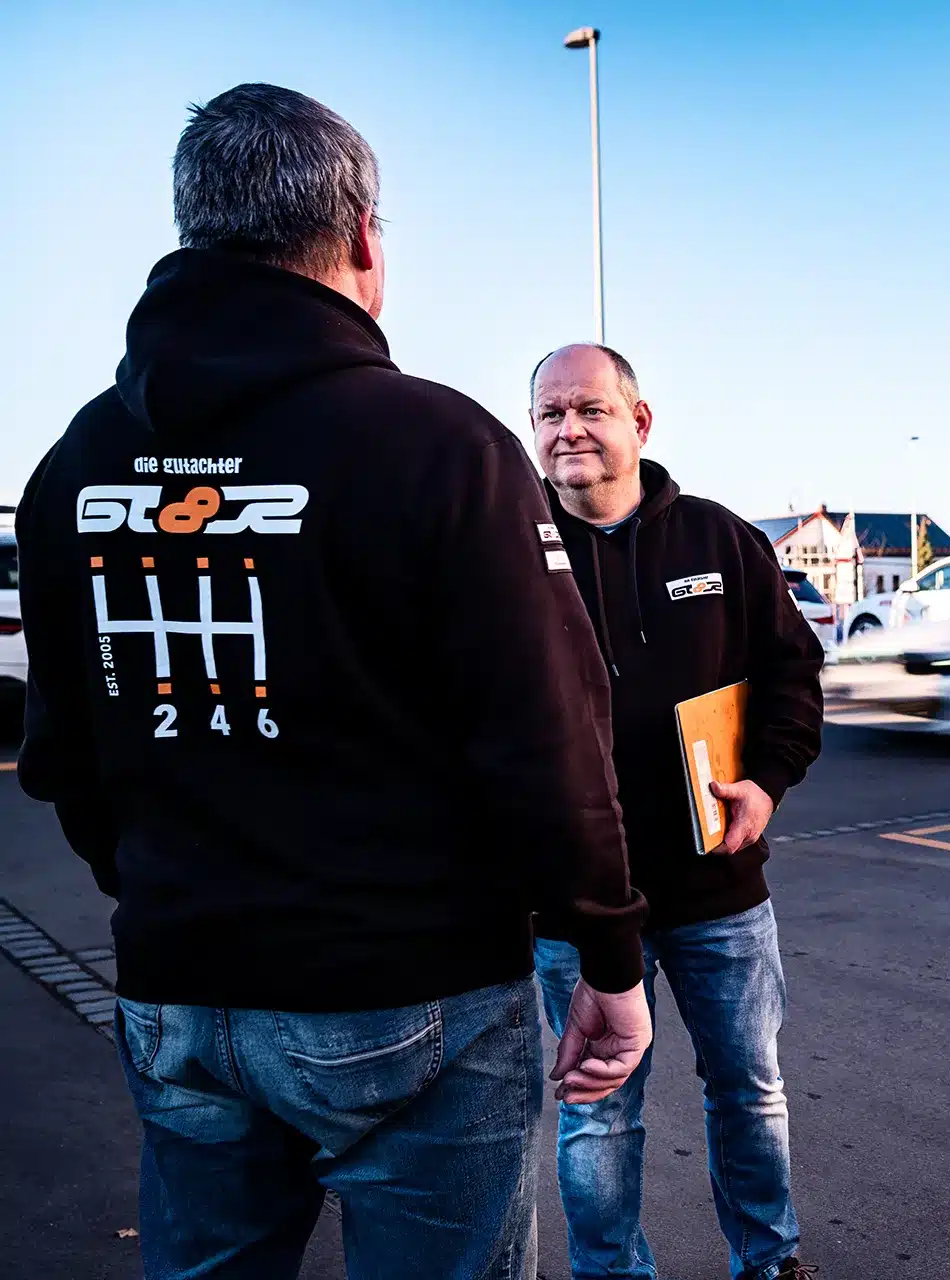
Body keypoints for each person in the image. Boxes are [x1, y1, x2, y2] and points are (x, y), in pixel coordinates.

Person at [15, 85, 652, 1278]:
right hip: (409, 997)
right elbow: (552, 741)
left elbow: (63, 746)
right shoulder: (438, 445)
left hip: (180, 990)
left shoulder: (75, 467)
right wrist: (610, 958)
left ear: (195, 228)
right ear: (363, 238)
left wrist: (171, 888)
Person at [529, 343, 825, 1280]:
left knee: (749, 1091)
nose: (568, 429)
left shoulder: (718, 539)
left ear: (639, 422)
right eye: (548, 415)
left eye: (589, 408)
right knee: (597, 1109)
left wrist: (768, 782)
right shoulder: (509, 552)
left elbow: (793, 674)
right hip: (575, 906)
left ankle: (768, 1263)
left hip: (719, 894)